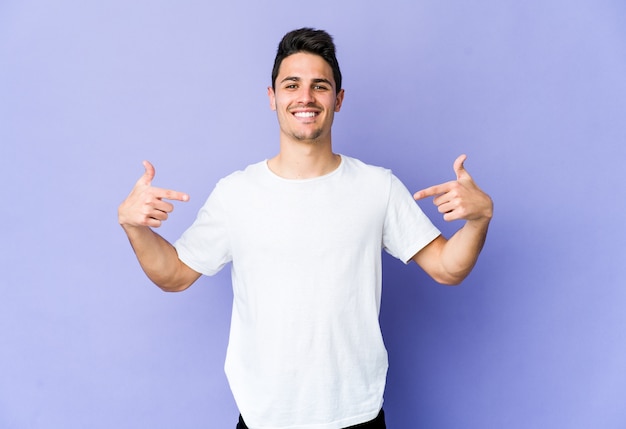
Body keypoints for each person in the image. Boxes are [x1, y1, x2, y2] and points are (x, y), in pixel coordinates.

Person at [118, 28, 493, 429]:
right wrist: (134, 227)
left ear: (338, 99)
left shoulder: (377, 186)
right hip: (265, 418)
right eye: (291, 85)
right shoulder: (236, 193)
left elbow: (447, 268)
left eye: (320, 86)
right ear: (272, 97)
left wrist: (479, 219)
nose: (305, 97)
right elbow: (174, 276)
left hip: (356, 415)